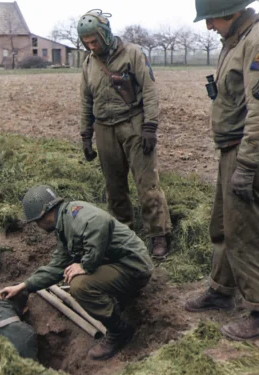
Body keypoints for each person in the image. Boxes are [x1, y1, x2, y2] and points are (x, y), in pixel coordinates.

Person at [185, 0, 259, 341]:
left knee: (249, 232)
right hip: (233, 150)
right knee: (225, 224)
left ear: (229, 11)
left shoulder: (257, 42)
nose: (208, 27)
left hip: (251, 153)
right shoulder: (236, 41)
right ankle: (221, 289)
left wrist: (245, 167)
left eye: (211, 19)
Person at [0, 185, 154, 360]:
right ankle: (121, 299)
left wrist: (86, 265)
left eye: (36, 221)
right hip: (123, 265)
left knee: (79, 285)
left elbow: (101, 222)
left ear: (44, 215)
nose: (37, 226)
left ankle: (119, 331)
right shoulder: (65, 224)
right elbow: (57, 267)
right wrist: (24, 286)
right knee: (74, 273)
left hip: (134, 267)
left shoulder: (75, 215)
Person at [77, 9, 172, 260]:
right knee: (114, 189)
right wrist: (86, 134)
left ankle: (159, 235)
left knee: (147, 185)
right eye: (86, 42)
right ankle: (124, 235)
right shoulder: (88, 63)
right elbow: (86, 100)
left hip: (133, 124)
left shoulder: (133, 54)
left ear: (105, 34)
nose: (91, 46)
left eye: (94, 40)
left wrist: (150, 127)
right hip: (104, 129)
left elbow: (150, 91)